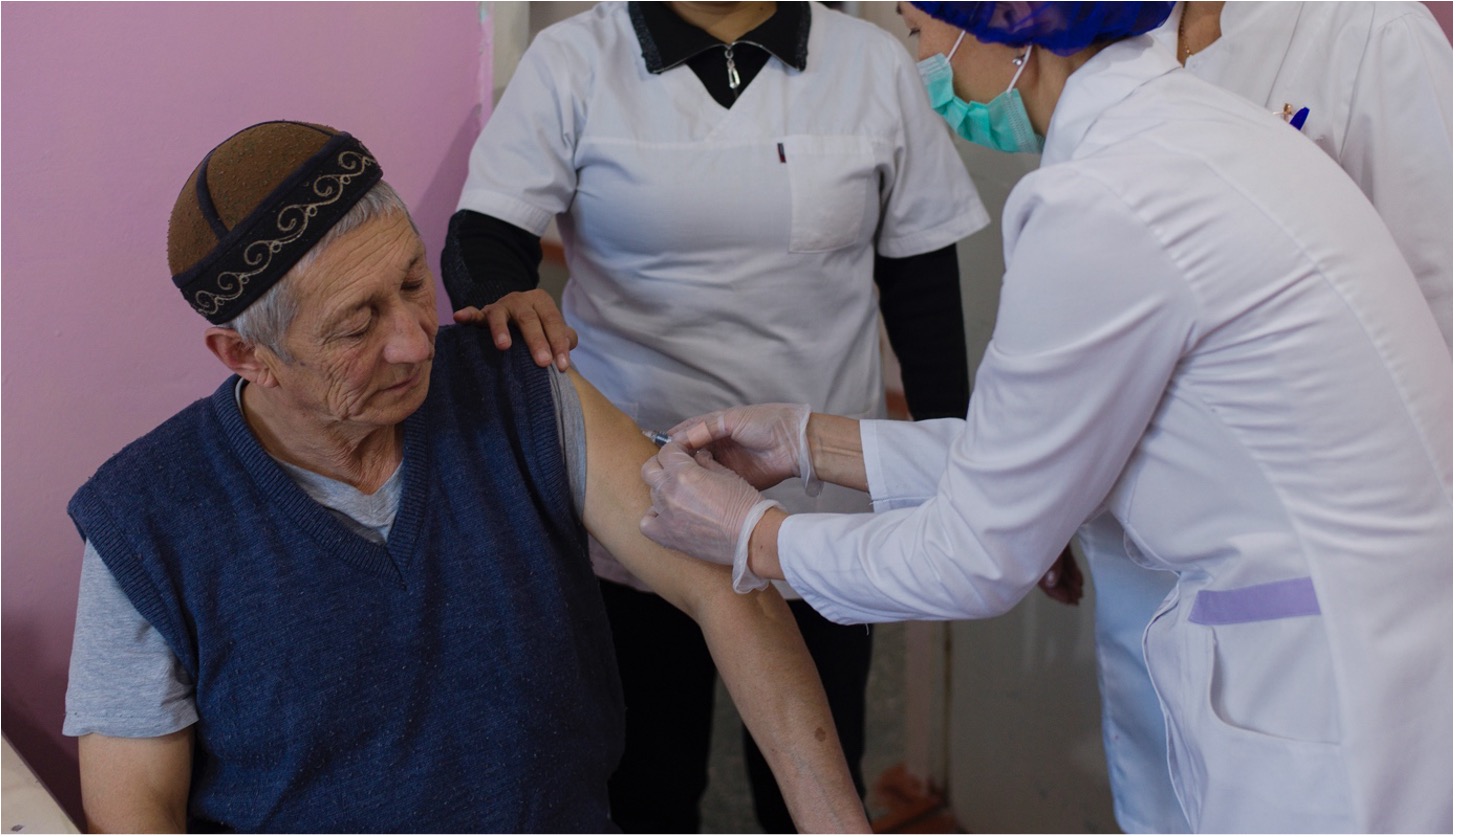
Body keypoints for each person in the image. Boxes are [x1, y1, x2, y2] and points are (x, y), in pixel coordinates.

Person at [639, 3, 1454, 832]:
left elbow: (976, 551)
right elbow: (1039, 447)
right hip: (1326, 638)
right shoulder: (1187, 130)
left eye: (920, 34)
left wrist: (752, 537)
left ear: (1010, 29)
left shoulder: (1105, 202)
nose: (920, 63)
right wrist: (807, 441)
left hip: (1323, 682)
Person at [61, 120, 868, 834]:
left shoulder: (518, 387)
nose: (416, 340)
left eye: (413, 283)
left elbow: (724, 586)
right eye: (357, 323)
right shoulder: (147, 518)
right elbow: (133, 812)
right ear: (246, 356)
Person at [445, 2, 988, 831]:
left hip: (821, 507)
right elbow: (485, 235)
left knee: (814, 766)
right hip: (639, 499)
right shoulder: (575, 61)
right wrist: (502, 295)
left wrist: (957, 467)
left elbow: (921, 282)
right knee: (648, 780)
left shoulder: (869, 63)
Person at [1062, 4, 1457, 830]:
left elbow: (1439, 305)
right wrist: (1044, 494)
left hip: (1318, 579)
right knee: (1163, 782)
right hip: (1147, 554)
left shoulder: (1367, 29)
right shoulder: (1115, 28)